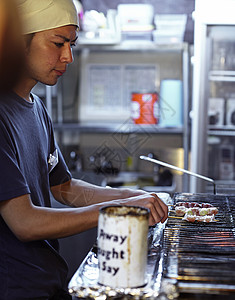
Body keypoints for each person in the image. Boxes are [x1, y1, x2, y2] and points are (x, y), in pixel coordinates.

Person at [0, 0, 168, 299]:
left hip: (48, 279)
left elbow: (64, 188)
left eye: (72, 44)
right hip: (14, 287)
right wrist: (121, 210)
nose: (68, 56)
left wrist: (131, 196)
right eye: (58, 43)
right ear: (18, 42)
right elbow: (24, 222)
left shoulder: (36, 108)